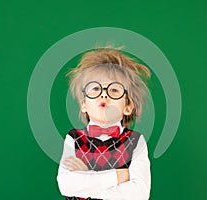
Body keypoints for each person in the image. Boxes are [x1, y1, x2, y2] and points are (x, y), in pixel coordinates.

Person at [57, 46, 151, 200]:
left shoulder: (136, 141)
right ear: (84, 104)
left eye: (114, 90)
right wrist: (118, 176)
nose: (103, 95)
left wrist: (86, 178)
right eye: (95, 88)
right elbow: (66, 185)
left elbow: (139, 194)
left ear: (128, 106)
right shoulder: (73, 139)